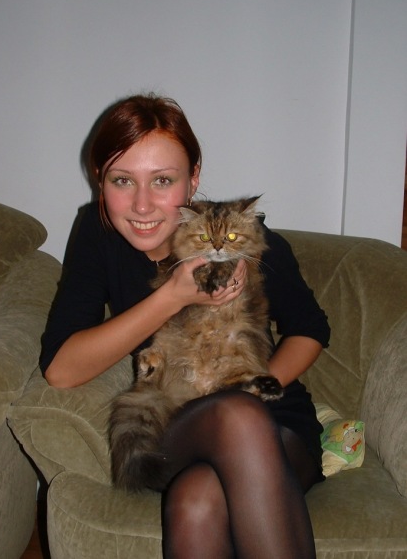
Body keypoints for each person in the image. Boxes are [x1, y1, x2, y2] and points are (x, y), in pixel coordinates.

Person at [41, 93, 330, 559]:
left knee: (199, 498)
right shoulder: (98, 234)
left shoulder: (246, 242)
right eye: (122, 180)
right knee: (232, 418)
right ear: (100, 180)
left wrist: (257, 387)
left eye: (162, 180)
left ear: (193, 179)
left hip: (275, 426)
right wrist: (173, 295)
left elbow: (311, 328)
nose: (142, 205)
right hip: (180, 416)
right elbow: (61, 369)